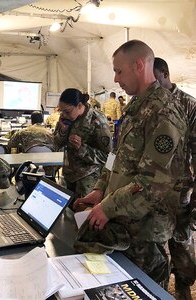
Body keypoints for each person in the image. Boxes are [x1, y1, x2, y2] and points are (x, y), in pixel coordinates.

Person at [73, 40, 188, 288]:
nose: (115, 79)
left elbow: (154, 183)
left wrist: (109, 206)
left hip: (146, 230)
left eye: (119, 71)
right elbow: (116, 157)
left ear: (138, 65)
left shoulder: (162, 112)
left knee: (143, 289)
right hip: (124, 225)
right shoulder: (137, 107)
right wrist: (100, 189)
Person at [154, 57, 196, 299]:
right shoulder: (144, 103)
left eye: (155, 78)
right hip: (149, 187)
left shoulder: (188, 104)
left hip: (179, 187)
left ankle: (183, 285)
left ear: (165, 73)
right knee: (155, 241)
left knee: (181, 240)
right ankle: (157, 288)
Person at [53, 88, 112, 201]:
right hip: (68, 175)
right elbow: (55, 144)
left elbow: (108, 157)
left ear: (79, 105)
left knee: (82, 214)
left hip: (88, 178)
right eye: (61, 111)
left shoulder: (97, 120)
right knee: (68, 213)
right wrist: (62, 132)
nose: (63, 115)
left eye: (67, 112)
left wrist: (81, 148)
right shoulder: (65, 117)